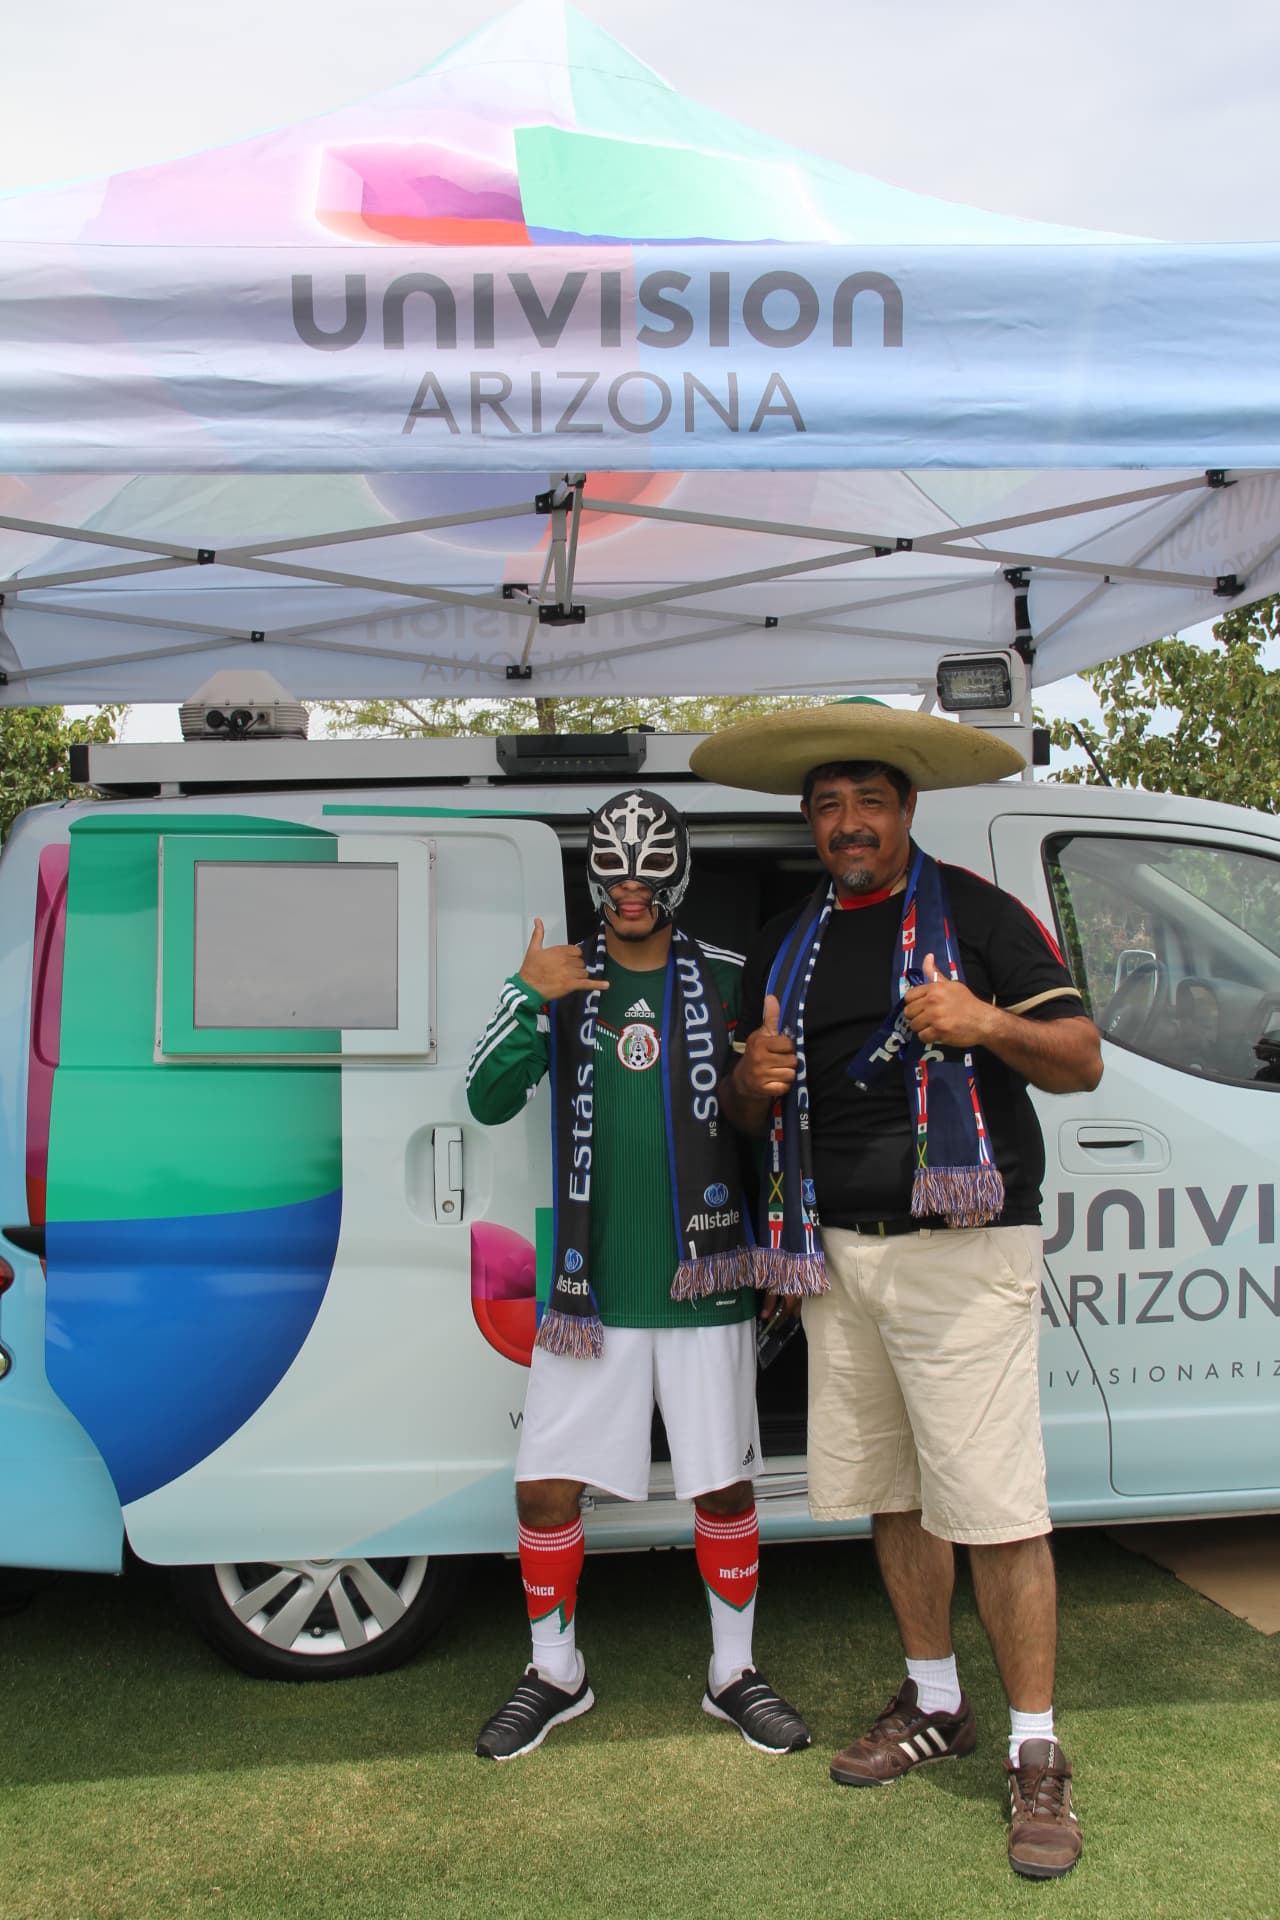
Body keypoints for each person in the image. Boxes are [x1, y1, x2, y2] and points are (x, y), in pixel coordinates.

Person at [696, 704, 1103, 1881]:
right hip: (837, 1257)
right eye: (825, 808)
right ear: (809, 825)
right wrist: (750, 1083)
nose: (846, 824)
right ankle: (935, 1701)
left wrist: (979, 1021)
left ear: (906, 811)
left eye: (867, 802)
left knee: (995, 1506)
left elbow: (1078, 1056)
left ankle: (1034, 1746)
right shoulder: (785, 943)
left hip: (962, 1251)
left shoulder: (974, 916)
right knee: (893, 1493)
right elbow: (741, 1115)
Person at [465, 787, 810, 1763]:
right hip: (589, 1294)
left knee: (723, 1488)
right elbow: (485, 1099)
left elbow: (764, 1124)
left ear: (678, 874)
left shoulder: (727, 979)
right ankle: (553, 1672)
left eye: (648, 867)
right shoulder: (563, 979)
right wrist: (524, 993)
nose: (628, 887)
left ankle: (731, 1673)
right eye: (611, 867)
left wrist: (785, 1237)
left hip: (704, 1286)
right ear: (590, 874)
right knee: (543, 1489)